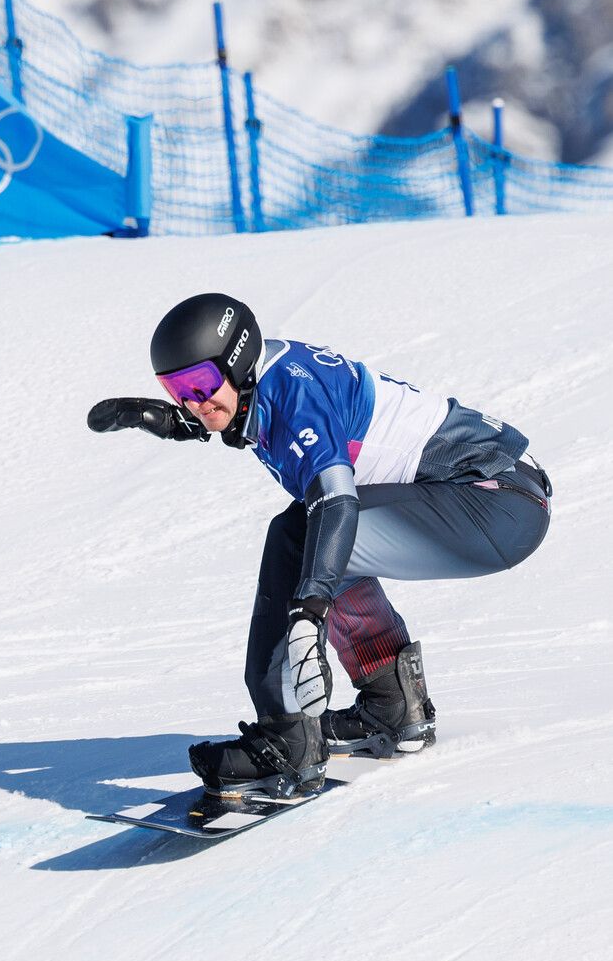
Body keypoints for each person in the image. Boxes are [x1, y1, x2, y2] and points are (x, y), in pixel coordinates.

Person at [87, 293, 552, 800]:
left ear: (238, 363)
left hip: (495, 505)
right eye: (177, 389)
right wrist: (181, 423)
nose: (193, 400)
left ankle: (285, 742)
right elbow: (255, 423)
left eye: (199, 384)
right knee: (315, 538)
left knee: (300, 539)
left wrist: (310, 608)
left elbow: (334, 503)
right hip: (496, 497)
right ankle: (393, 706)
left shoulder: (294, 394)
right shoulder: (269, 377)